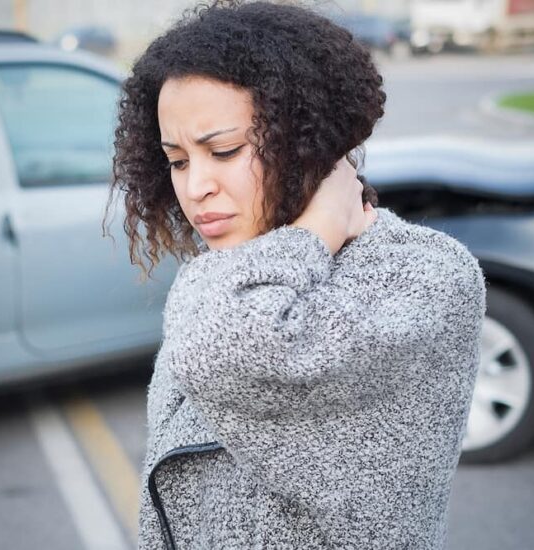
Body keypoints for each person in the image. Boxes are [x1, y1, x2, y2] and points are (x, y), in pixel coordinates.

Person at [109, 2, 486, 548]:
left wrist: (320, 227)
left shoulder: (426, 275)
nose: (195, 188)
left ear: (307, 139)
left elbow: (225, 347)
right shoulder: (242, 267)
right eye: (179, 160)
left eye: (224, 150)